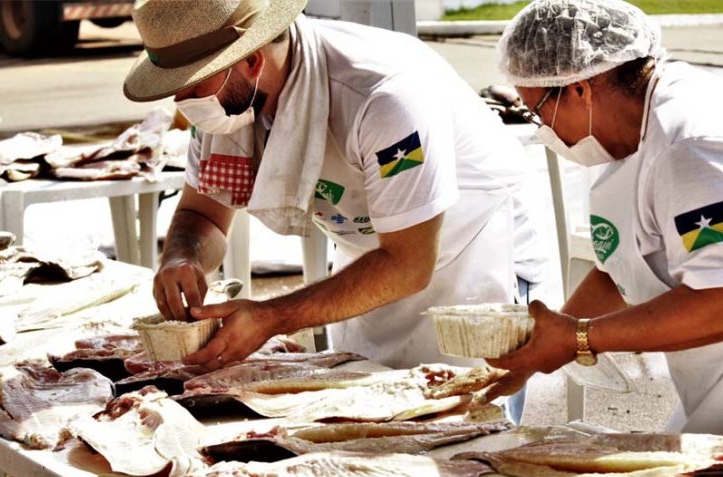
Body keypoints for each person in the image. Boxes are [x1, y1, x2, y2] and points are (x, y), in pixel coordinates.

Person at [122, 0, 551, 394]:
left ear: (251, 61)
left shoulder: (383, 97)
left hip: (468, 263)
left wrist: (271, 317)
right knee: (368, 426)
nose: (182, 100)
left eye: (193, 86)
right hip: (371, 264)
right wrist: (184, 257)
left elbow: (409, 264)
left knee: (465, 436)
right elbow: (205, 215)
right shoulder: (228, 108)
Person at [484, 0, 723, 477]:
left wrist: (577, 339)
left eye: (537, 111)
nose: (542, 131)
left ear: (580, 89)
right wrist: (545, 340)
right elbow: (624, 261)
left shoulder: (692, 146)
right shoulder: (630, 125)